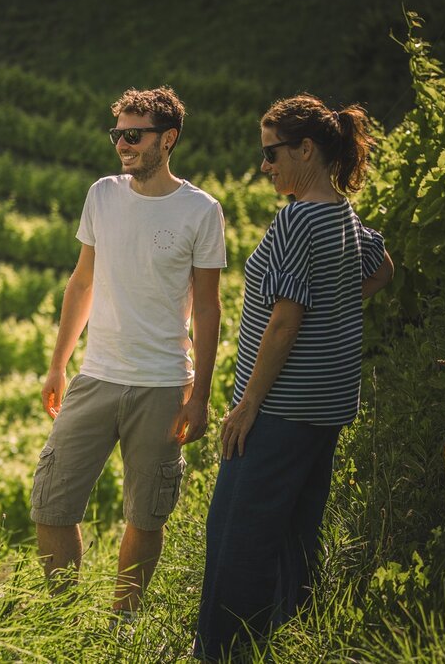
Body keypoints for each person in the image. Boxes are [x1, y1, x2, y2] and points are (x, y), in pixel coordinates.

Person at [193, 95, 394, 659]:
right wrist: (336, 310)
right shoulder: (343, 215)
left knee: (238, 537)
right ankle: (289, 639)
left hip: (280, 408)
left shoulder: (298, 218)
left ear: (305, 149)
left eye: (272, 152)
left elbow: (283, 323)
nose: (265, 166)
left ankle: (223, 651)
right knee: (294, 536)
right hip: (325, 407)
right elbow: (383, 269)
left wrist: (248, 404)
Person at [32, 87, 227, 625]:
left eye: (133, 135)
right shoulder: (102, 194)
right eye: (117, 133)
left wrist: (202, 395)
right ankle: (64, 618)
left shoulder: (202, 211)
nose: (122, 144)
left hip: (164, 386)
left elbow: (208, 310)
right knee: (50, 503)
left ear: (168, 139)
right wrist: (57, 363)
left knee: (146, 515)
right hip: (96, 376)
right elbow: (82, 282)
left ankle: (122, 625)